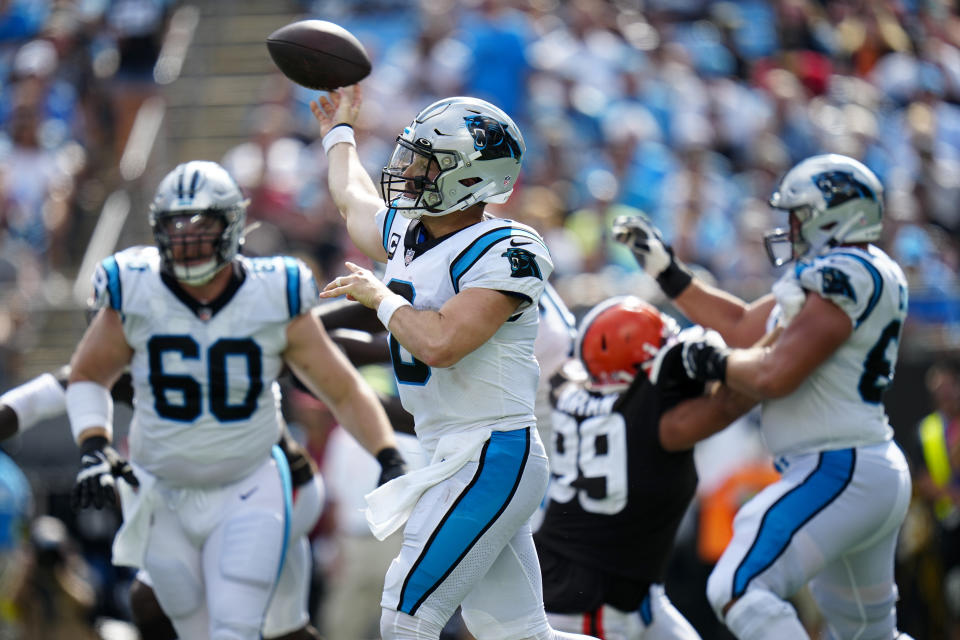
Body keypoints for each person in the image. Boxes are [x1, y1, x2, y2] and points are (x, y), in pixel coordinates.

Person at [63, 160, 404, 640]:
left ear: (234, 227)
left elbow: (341, 388)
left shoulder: (272, 292)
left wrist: (387, 455)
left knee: (235, 627)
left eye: (202, 229)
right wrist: (94, 445)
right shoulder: (134, 286)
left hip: (248, 485)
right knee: (193, 628)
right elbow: (87, 375)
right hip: (164, 492)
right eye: (176, 229)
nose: (188, 241)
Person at [311, 87, 596, 640]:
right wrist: (338, 134)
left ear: (469, 177)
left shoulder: (507, 246)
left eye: (426, 161)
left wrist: (383, 300)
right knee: (520, 635)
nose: (407, 169)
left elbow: (443, 343)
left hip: (493, 449)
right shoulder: (410, 233)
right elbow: (353, 200)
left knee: (406, 613)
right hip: (457, 449)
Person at [613, 153, 914, 640]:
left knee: (738, 585)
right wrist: (668, 271)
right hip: (855, 464)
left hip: (837, 464)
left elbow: (775, 375)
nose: (790, 227)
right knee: (866, 635)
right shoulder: (845, 272)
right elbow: (738, 326)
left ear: (834, 214)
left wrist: (712, 362)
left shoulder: (847, 272)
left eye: (797, 214)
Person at [535, 295, 703, 639]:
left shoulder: (568, 390)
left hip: (630, 589)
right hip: (592, 598)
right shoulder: (647, 412)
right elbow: (741, 392)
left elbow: (563, 376)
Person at [913, 361, 960, 638]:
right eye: (938, 389)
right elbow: (923, 481)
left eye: (949, 386)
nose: (946, 394)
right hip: (946, 531)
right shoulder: (926, 430)